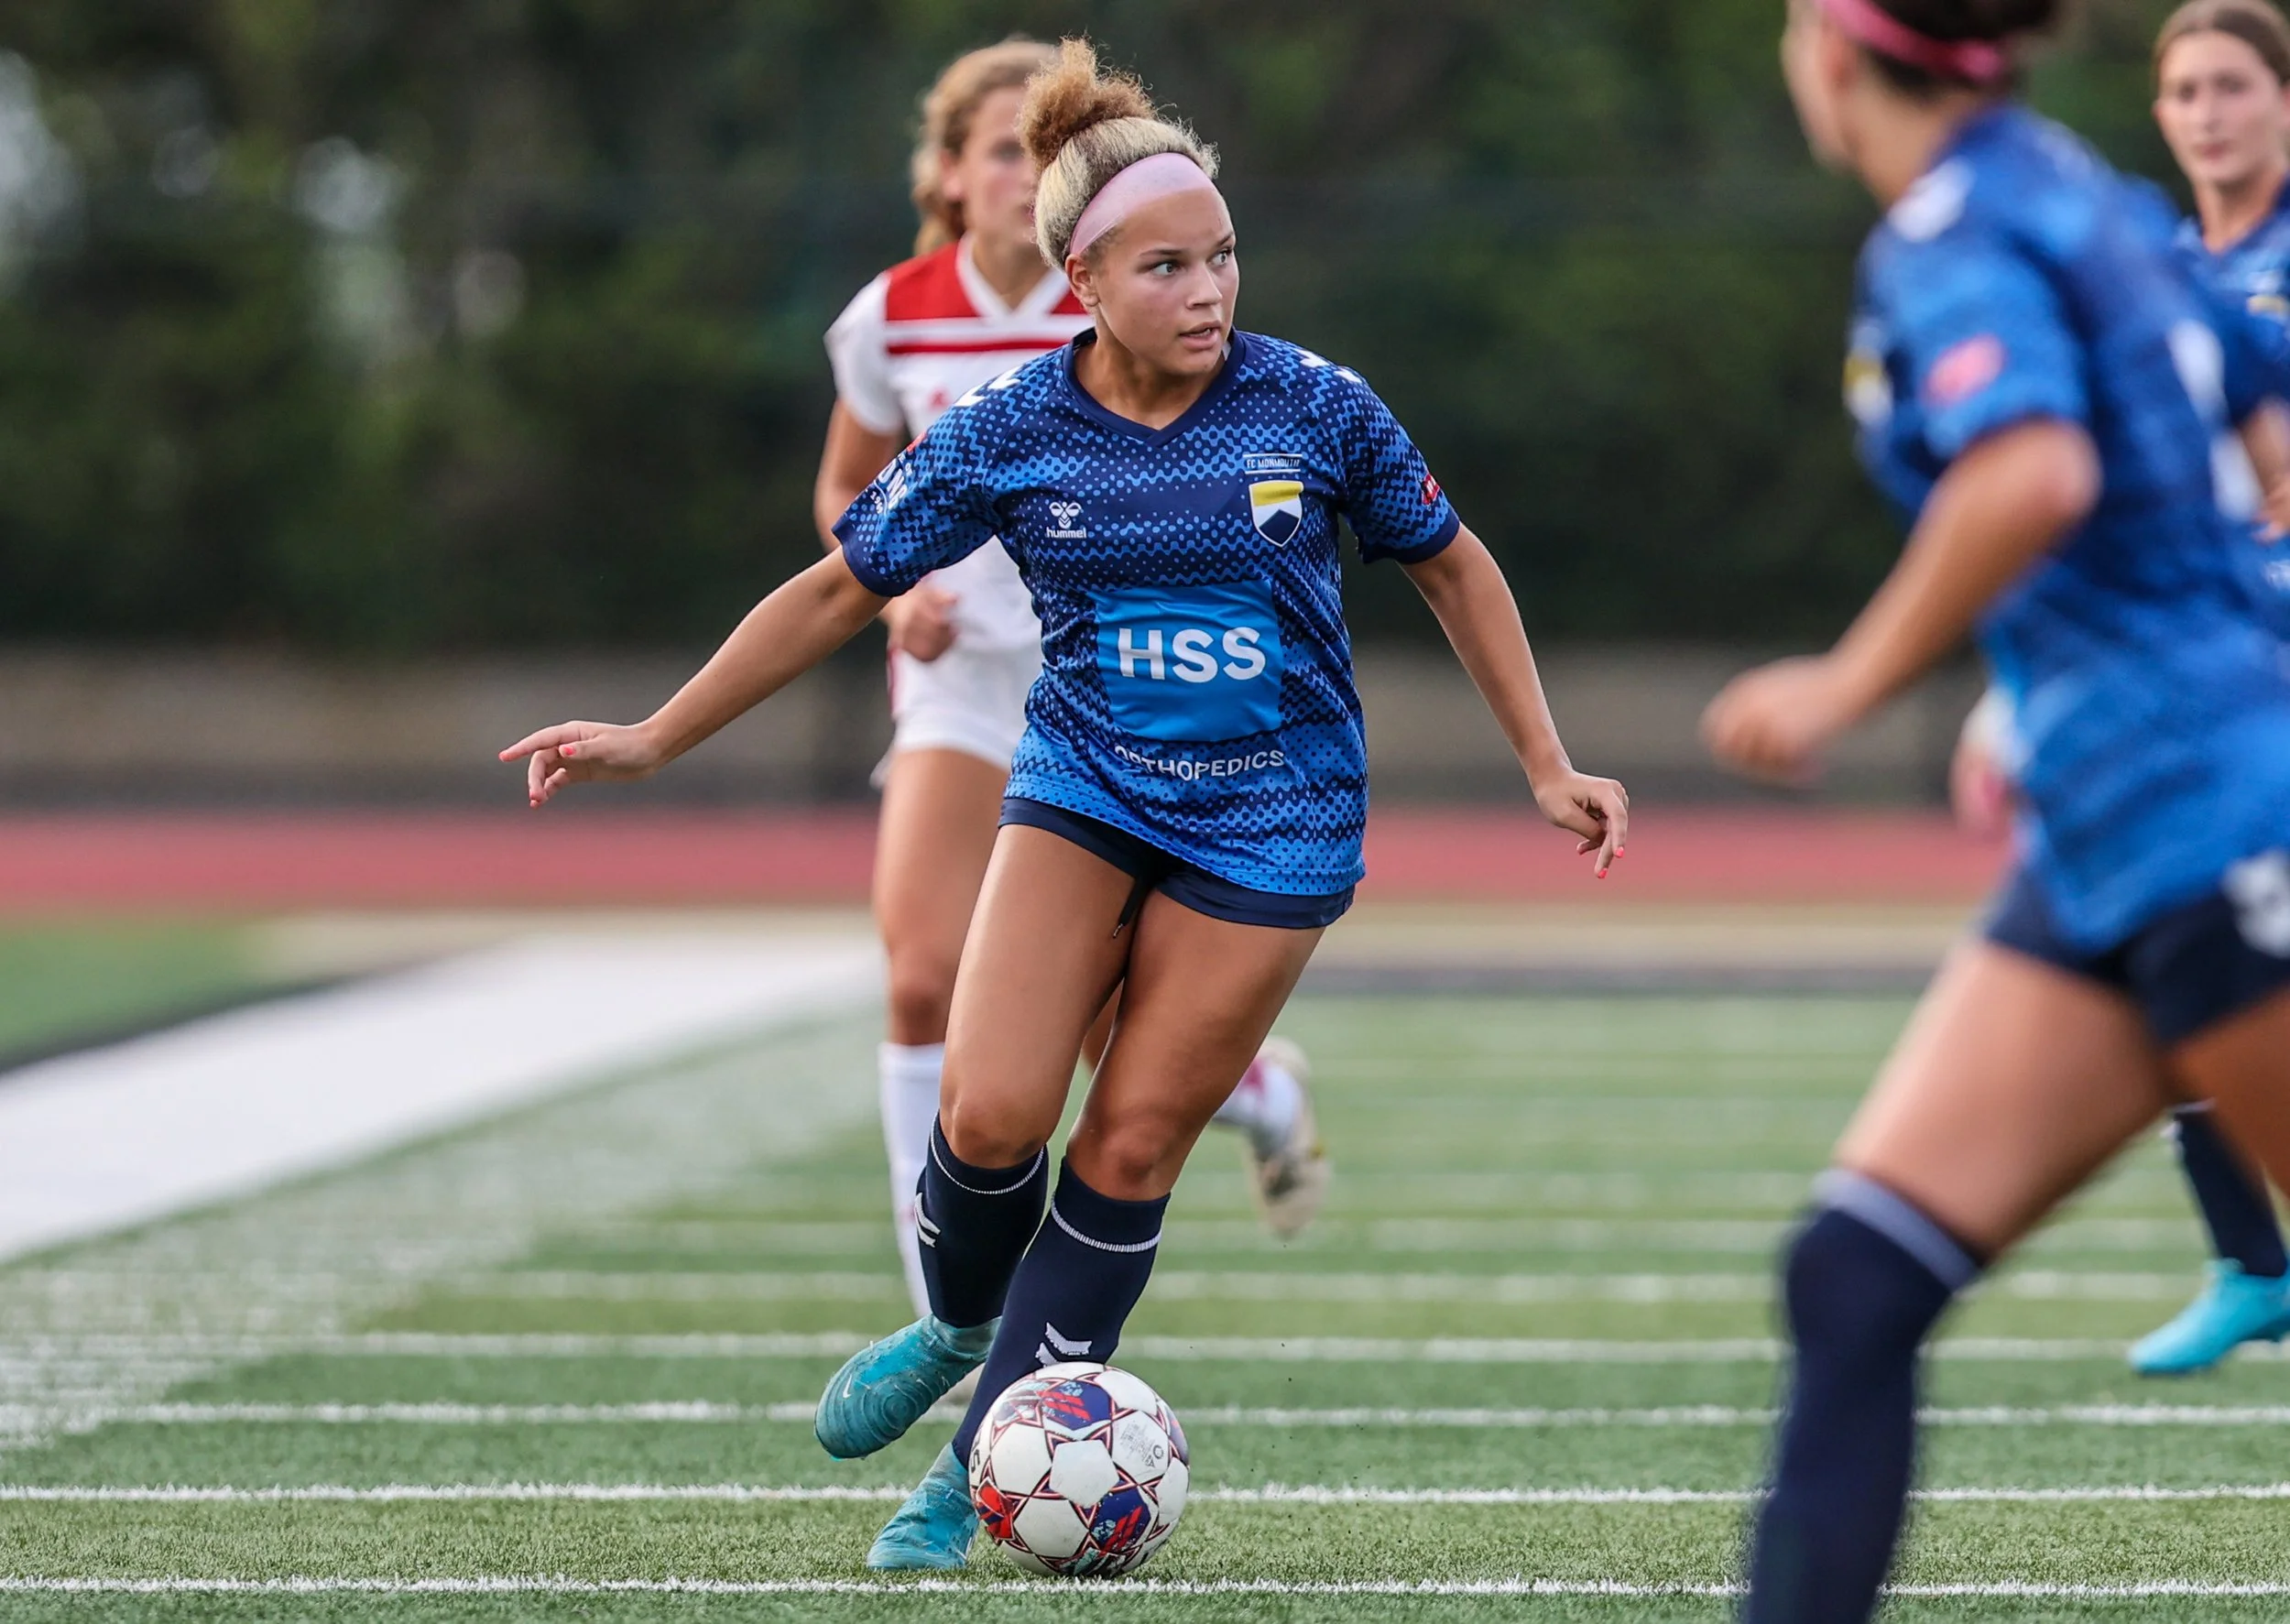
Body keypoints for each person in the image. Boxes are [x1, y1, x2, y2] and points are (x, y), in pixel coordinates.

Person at [505, 37, 1628, 1572]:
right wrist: (654, 737)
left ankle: (960, 1481)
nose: (1210, 289)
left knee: (1135, 1140)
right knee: (988, 1113)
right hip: (1085, 789)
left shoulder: (1318, 406)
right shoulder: (1011, 430)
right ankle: (963, 1317)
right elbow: (840, 586)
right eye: (1167, 266)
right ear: (1083, 282)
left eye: (1222, 255)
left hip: (1277, 825)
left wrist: (1544, 762)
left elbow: (1455, 562)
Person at [1701, 0, 2290, 1618]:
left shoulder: (1954, 228)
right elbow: (2261, 432)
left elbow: (2032, 473)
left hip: (2211, 814)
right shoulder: (2079, 185)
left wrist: (1847, 680)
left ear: (1833, 52)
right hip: (2129, 822)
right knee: (1856, 1273)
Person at [812, 39, 1331, 1321]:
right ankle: (943, 1300)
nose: (1024, 173)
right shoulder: (890, 315)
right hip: (962, 687)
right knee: (923, 978)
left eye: (1041, 153)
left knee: (1098, 1031)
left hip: (1119, 700)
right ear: (948, 173)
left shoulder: (1116, 293)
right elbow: (849, 495)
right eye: (1001, 148)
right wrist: (904, 586)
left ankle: (1257, 1093)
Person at [1947, 0, 2290, 1378]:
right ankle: (2252, 1261)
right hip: (2185, 690)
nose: (2206, 112)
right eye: (2185, 90)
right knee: (2173, 957)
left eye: (2233, 86)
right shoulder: (2142, 263)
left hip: (2244, 685)